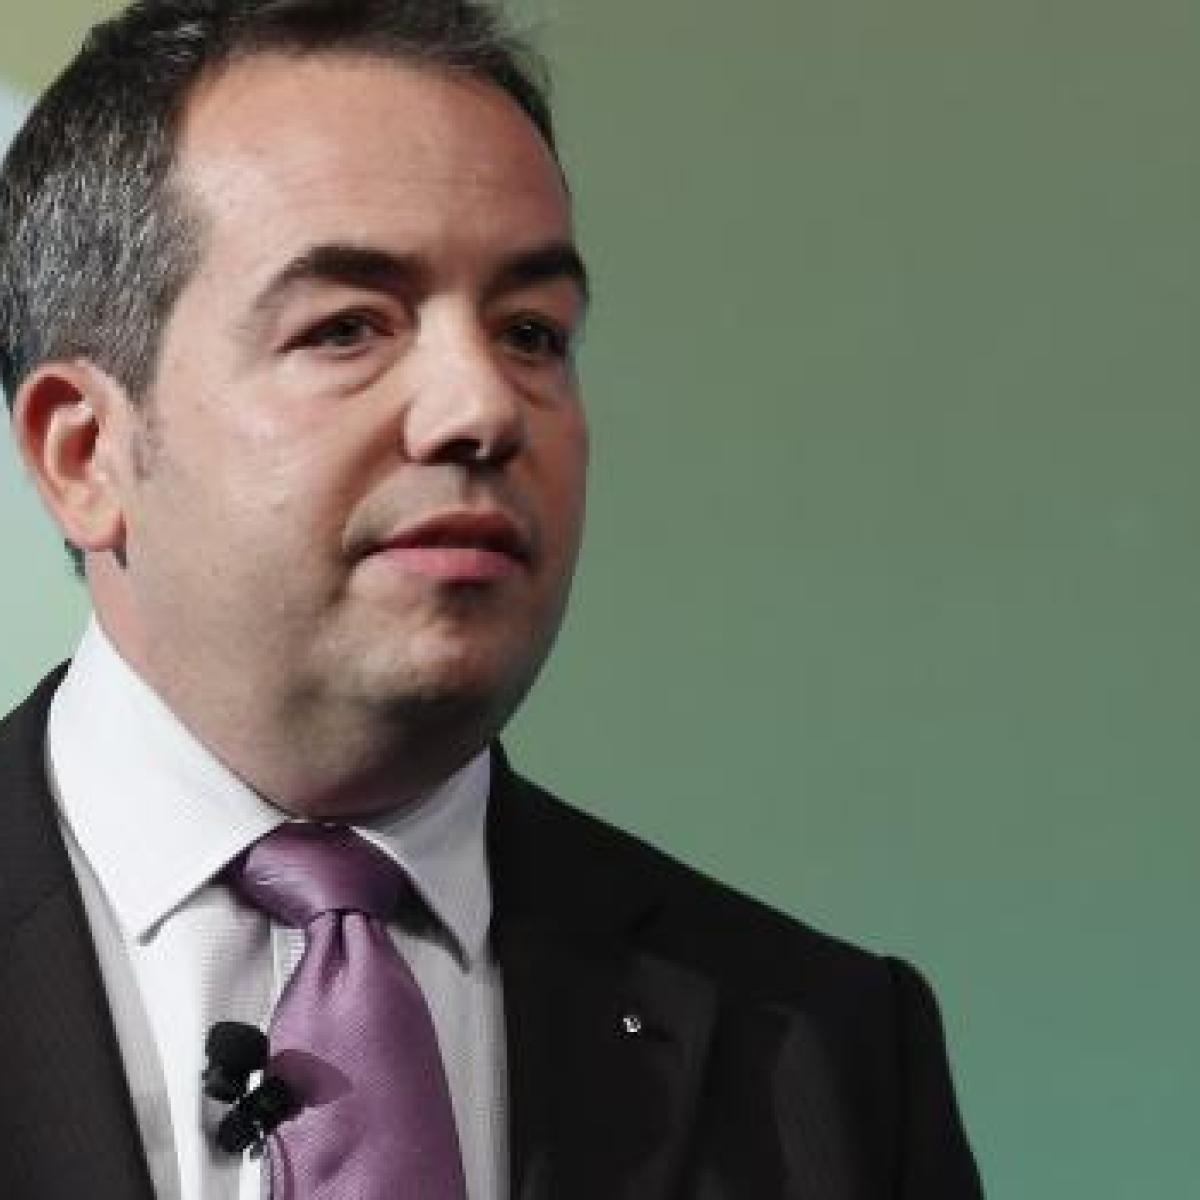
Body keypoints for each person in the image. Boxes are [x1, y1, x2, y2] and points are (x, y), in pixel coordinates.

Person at [0, 2, 983, 1197]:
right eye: (348, 328)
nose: (483, 408)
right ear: (85, 454)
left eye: (531, 333)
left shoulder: (825, 1054)